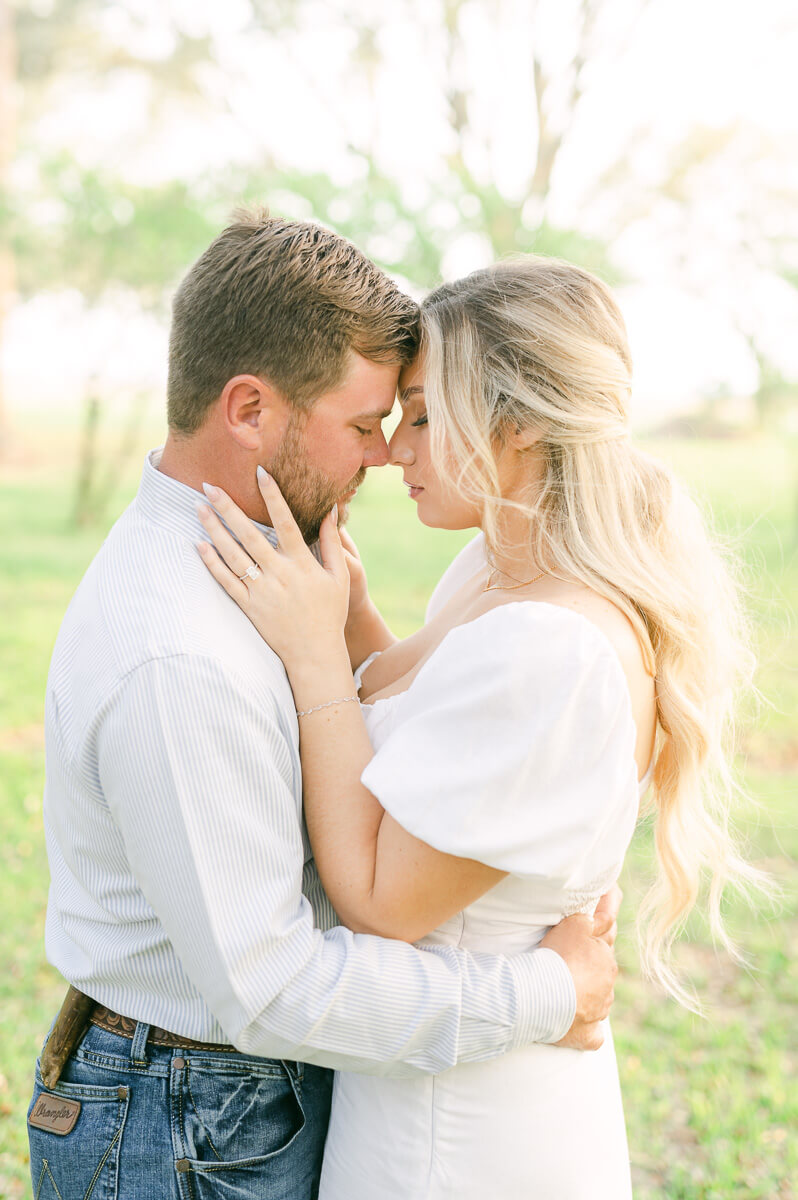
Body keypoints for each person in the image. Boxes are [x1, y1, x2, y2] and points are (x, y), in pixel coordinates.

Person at [27, 214, 620, 1200]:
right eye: (362, 425)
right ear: (250, 409)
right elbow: (273, 988)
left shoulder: (262, 565)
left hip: (218, 1100)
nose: (386, 457)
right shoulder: (180, 655)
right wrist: (549, 993)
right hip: (189, 1121)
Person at [196, 254, 764, 1198]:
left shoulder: (555, 646)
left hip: (462, 1131)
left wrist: (312, 657)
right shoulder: (494, 575)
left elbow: (383, 898)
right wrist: (350, 615)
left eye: (422, 414)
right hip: (430, 1072)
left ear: (523, 423)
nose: (393, 448)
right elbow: (422, 725)